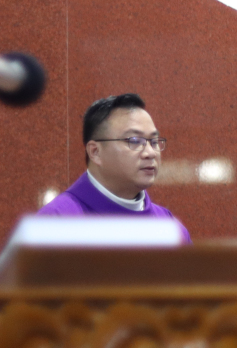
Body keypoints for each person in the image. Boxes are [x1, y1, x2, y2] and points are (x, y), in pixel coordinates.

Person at [37, 93, 190, 240]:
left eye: (154, 142)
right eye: (135, 141)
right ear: (95, 152)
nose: (150, 153)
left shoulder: (170, 228)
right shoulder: (56, 223)